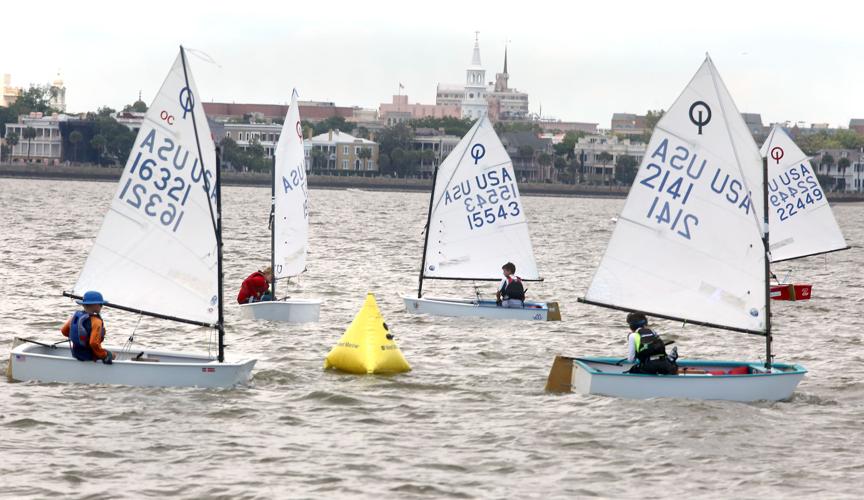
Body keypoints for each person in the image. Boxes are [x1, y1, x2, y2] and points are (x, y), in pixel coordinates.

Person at [61, 290, 114, 364]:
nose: (102, 306)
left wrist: (78, 338)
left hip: (76, 353)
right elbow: (93, 343)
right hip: (89, 356)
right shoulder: (96, 321)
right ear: (95, 305)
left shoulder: (76, 317)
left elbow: (64, 331)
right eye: (101, 304)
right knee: (112, 355)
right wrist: (104, 355)